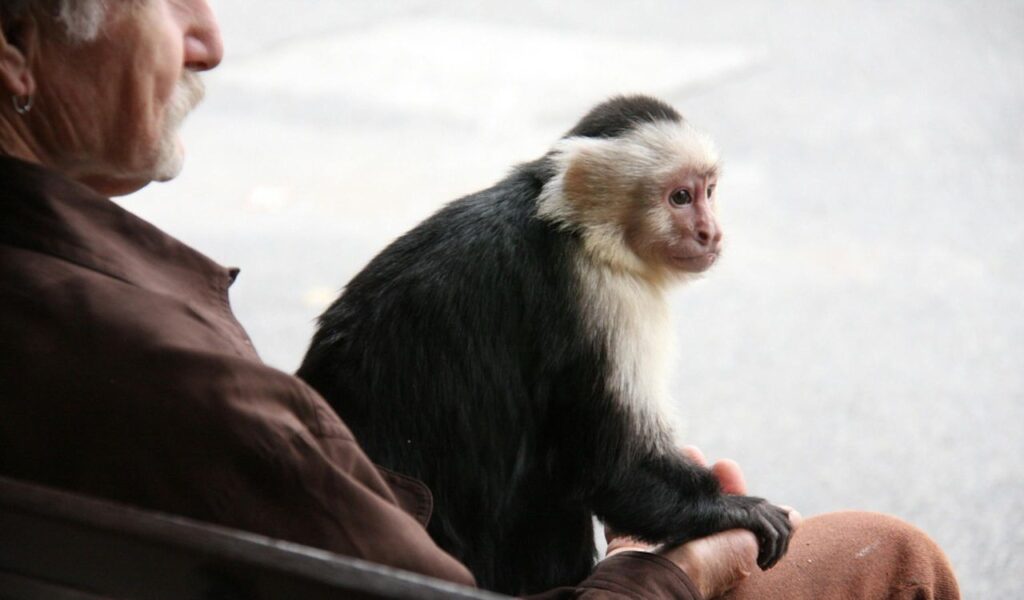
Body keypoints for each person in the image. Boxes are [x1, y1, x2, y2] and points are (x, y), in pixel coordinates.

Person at [0, 1, 960, 598]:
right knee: (892, 556)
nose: (211, 40)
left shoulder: (63, 313)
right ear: (15, 47)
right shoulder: (174, 378)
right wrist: (672, 567)